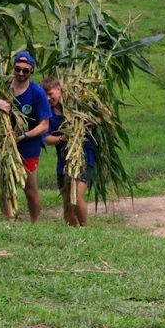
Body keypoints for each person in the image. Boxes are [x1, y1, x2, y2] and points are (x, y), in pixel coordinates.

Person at [0, 52, 51, 223]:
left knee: (30, 190)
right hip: (4, 145)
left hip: (28, 147)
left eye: (25, 71)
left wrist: (25, 135)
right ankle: (9, 221)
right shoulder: (1, 87)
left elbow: (44, 125)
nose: (21, 73)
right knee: (5, 185)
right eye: (18, 69)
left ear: (31, 71)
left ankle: (35, 223)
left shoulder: (37, 93)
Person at [40, 76, 96, 227]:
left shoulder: (78, 103)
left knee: (76, 198)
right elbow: (46, 138)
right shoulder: (48, 113)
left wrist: (93, 120)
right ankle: (71, 233)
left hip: (84, 158)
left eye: (50, 94)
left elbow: (106, 116)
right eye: (45, 95)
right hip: (64, 162)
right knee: (66, 202)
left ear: (59, 89)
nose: (48, 98)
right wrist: (62, 138)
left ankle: (86, 230)